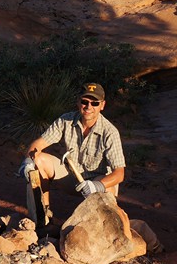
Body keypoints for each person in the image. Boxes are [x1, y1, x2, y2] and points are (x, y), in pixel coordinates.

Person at [18, 82, 126, 223]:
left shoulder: (110, 132)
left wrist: (95, 185)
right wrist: (28, 161)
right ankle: (43, 216)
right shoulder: (65, 120)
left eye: (95, 103)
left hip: (96, 184)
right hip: (71, 179)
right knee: (38, 160)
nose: (89, 107)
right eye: (84, 102)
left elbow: (119, 174)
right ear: (78, 102)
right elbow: (37, 144)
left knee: (108, 187)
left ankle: (104, 225)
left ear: (102, 105)